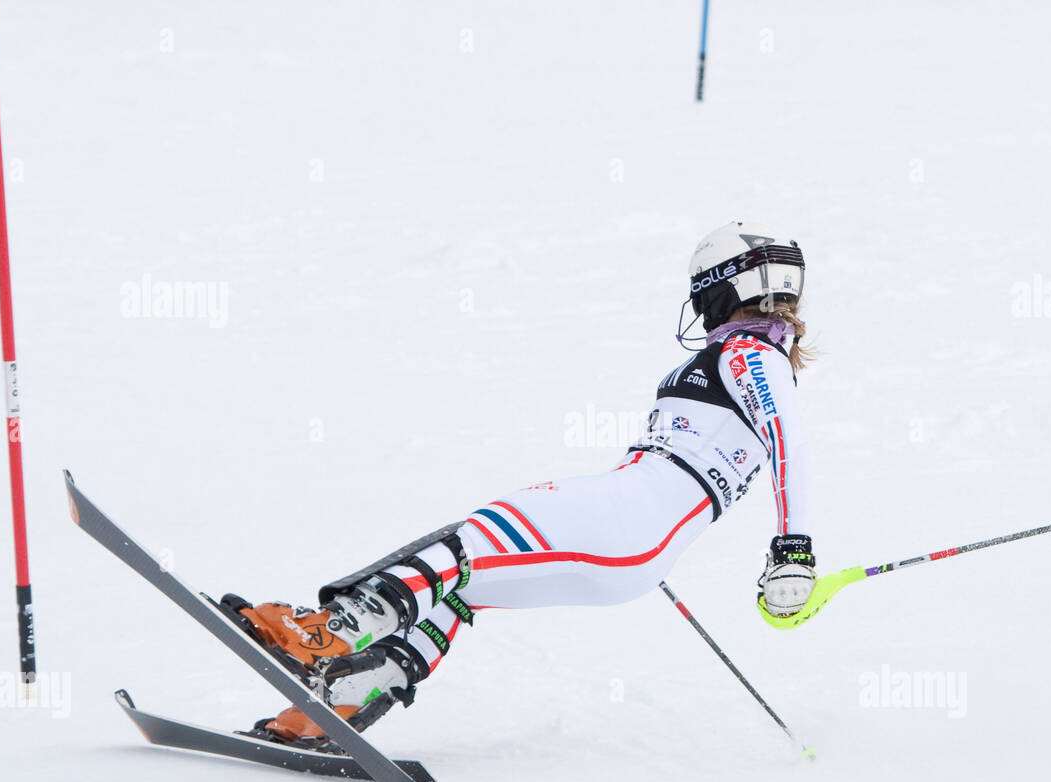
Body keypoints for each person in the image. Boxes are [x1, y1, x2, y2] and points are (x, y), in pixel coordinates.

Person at [222, 222, 820, 747]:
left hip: (629, 521)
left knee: (467, 544)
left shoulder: (749, 353)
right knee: (462, 583)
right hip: (636, 535)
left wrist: (794, 549)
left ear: (724, 289)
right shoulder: (757, 359)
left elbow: (787, 441)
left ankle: (330, 631)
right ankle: (346, 698)